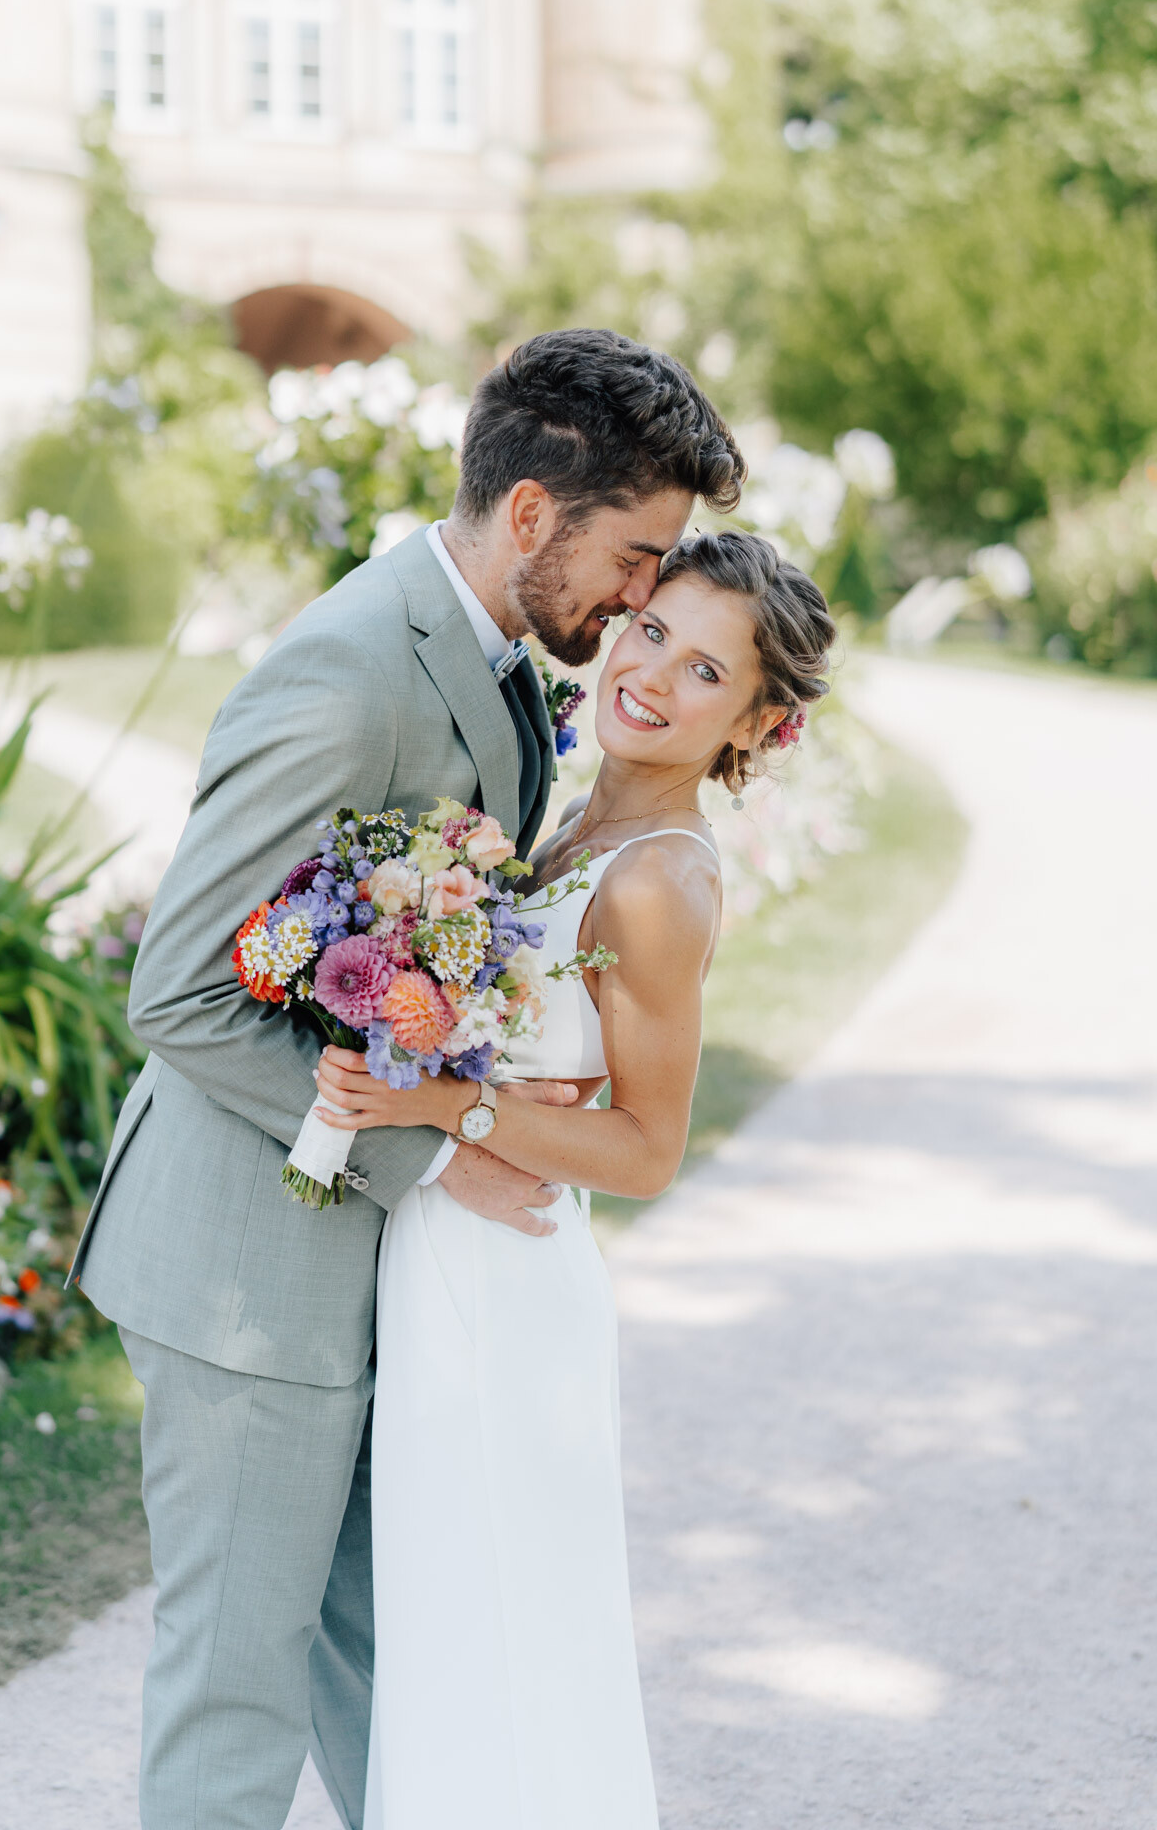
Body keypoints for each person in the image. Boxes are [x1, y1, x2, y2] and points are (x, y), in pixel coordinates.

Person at [66, 328, 744, 1830]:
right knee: (237, 1691)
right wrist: (439, 1153)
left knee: (400, 1669)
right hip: (251, 1268)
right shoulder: (349, 669)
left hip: (380, 1282)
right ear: (529, 517)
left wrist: (489, 1083)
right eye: (634, 557)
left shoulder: (500, 659)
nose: (641, 598)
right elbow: (180, 987)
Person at [315, 526, 838, 1829]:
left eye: (707, 673)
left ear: (754, 727)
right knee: (447, 1642)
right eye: (655, 628)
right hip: (442, 1264)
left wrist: (447, 1107)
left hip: (511, 1302)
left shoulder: (659, 881)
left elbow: (648, 1150)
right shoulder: (563, 813)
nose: (653, 674)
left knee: (504, 1644)